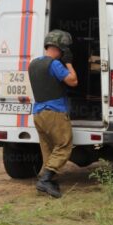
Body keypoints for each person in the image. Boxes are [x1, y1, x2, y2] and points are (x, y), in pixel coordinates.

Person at [28, 29, 78, 198]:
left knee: (48, 149)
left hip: (38, 114)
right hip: (54, 113)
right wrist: (69, 63)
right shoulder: (55, 64)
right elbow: (73, 81)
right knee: (64, 145)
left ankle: (47, 181)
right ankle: (45, 180)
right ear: (60, 48)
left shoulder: (33, 64)